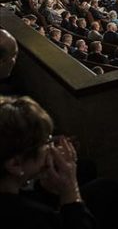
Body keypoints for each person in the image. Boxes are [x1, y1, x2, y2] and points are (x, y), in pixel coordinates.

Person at [0, 96, 96, 228]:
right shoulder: (36, 218)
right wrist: (70, 189)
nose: (51, 148)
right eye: (45, 142)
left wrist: (47, 191)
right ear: (15, 164)